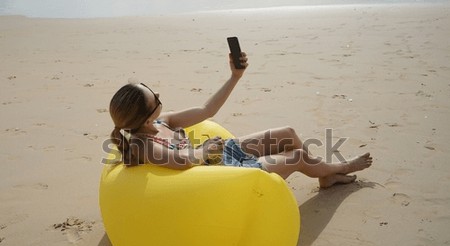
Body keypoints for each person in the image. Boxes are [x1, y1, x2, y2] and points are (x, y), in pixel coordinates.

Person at [109, 52, 372, 188]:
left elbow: (206, 109)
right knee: (297, 157)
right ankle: (339, 169)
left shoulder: (161, 121)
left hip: (223, 156)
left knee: (288, 134)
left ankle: (323, 176)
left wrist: (235, 76)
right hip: (223, 175)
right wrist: (204, 149)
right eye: (154, 97)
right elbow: (183, 161)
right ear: (144, 118)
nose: (158, 94)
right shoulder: (141, 146)